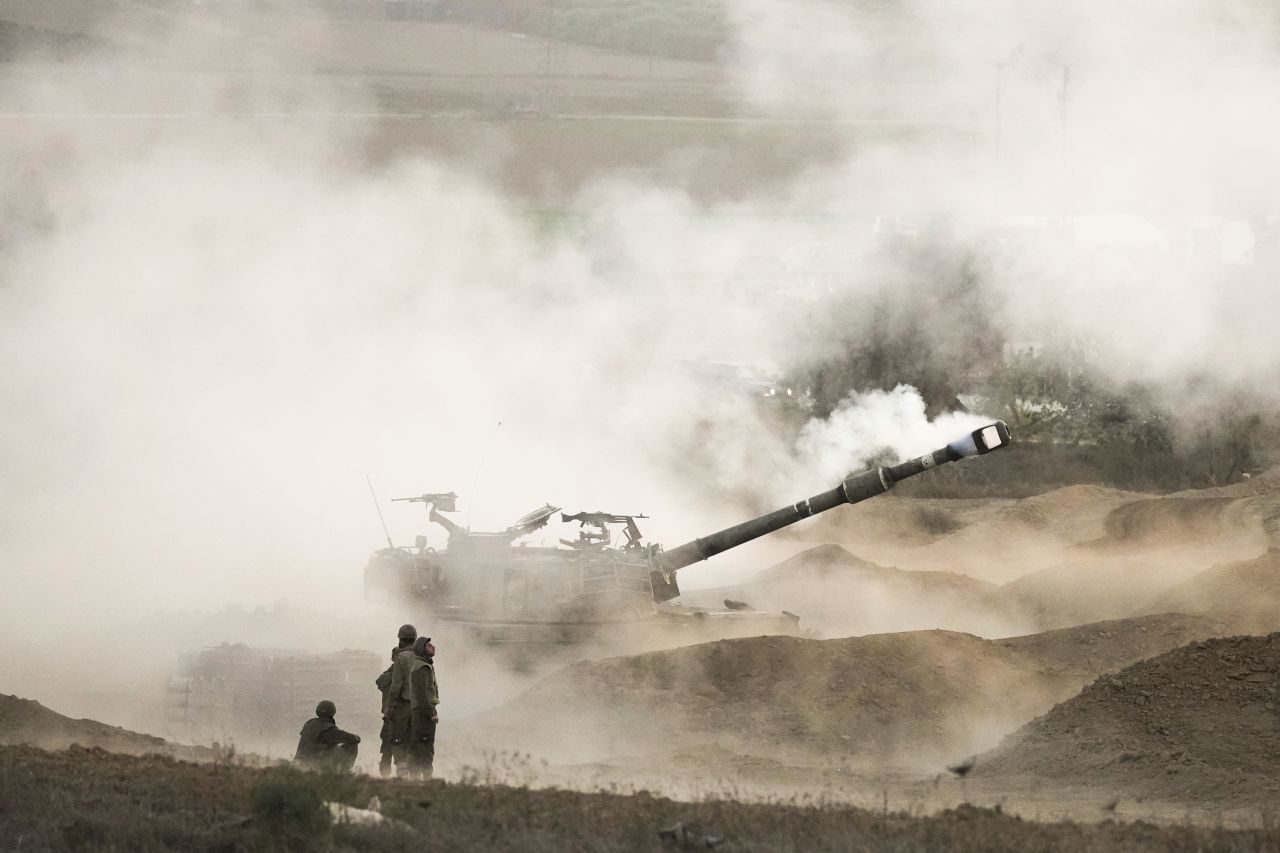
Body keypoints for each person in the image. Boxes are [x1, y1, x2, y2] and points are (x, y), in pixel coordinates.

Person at [380, 623, 419, 777]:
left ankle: (397, 772)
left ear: (401, 640)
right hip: (419, 707)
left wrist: (389, 708)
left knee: (395, 739)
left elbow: (393, 686)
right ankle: (418, 775)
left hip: (401, 706)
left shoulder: (400, 659)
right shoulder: (422, 657)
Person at [294, 699, 360, 773]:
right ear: (332, 712)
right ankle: (344, 772)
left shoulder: (309, 724)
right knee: (353, 745)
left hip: (299, 761)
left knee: (331, 745)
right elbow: (350, 738)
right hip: (315, 764)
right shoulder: (328, 728)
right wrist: (357, 738)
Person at [408, 635, 440, 779]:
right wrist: (431, 712)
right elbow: (422, 693)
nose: (432, 647)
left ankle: (415, 779)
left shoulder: (422, 666)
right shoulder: (422, 667)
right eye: (428, 645)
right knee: (425, 747)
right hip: (423, 714)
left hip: (420, 712)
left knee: (418, 747)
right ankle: (427, 780)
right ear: (422, 649)